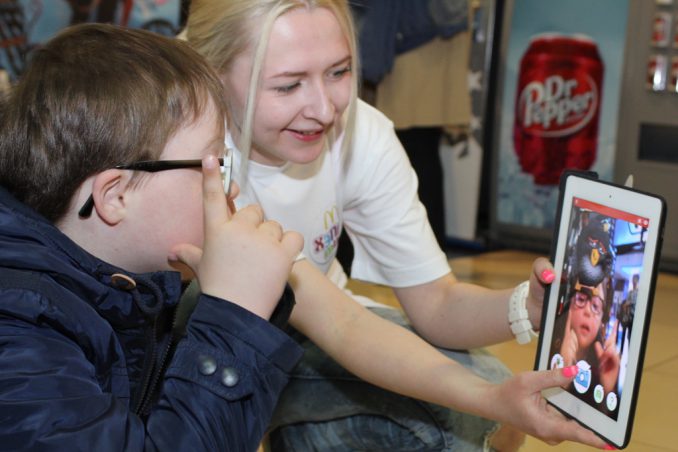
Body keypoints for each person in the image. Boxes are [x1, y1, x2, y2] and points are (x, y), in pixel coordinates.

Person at [184, 1, 609, 450]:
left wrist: (532, 305)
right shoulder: (188, 160)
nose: (325, 110)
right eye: (288, 85)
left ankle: (306, 433)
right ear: (210, 75)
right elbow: (343, 326)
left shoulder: (359, 132)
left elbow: (437, 304)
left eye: (339, 72)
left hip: (312, 336)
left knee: (492, 421)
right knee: (474, 408)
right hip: (199, 359)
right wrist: (489, 399)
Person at [0, 23, 305, 451]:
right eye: (211, 167)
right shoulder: (19, 334)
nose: (229, 188)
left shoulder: (124, 287)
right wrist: (234, 320)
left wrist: (245, 311)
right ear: (116, 196)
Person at [558, 282, 621, 396]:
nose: (587, 311)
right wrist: (561, 373)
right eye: (581, 299)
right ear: (569, 306)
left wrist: (607, 390)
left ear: (601, 322)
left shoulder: (599, 373)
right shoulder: (550, 352)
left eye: (596, 306)